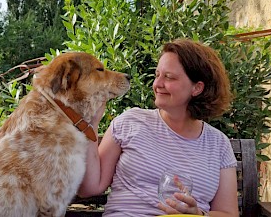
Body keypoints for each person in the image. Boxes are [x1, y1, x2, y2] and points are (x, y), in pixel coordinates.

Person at [79, 38, 239, 217]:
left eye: (169, 77)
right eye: (157, 75)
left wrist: (200, 215)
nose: (157, 84)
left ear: (197, 88)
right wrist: (91, 124)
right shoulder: (130, 122)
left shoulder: (218, 145)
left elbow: (228, 213)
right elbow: (89, 188)